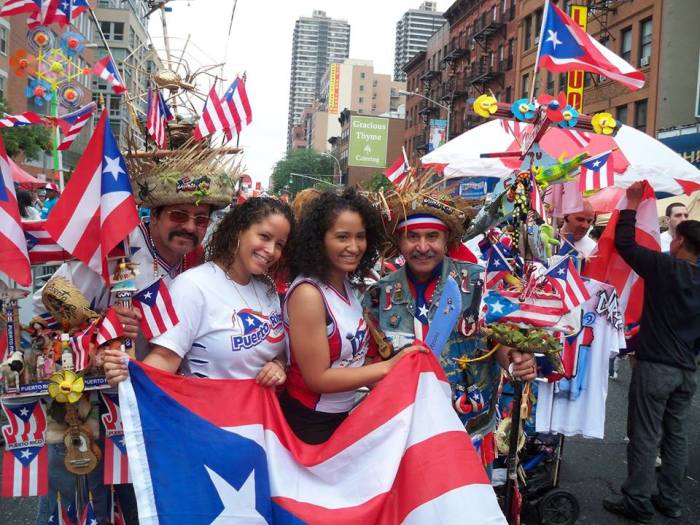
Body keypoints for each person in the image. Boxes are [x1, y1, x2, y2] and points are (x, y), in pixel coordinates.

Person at [33, 139, 238, 525]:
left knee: (139, 505)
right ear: (155, 213)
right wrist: (102, 324)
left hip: (147, 405)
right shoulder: (120, 246)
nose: (191, 227)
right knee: (80, 506)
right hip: (90, 402)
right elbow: (51, 295)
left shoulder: (194, 262)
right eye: (179, 215)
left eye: (201, 219)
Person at [363, 184, 537, 474]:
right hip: (405, 429)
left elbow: (499, 343)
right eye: (412, 237)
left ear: (447, 240)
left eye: (432, 236)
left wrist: (517, 362)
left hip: (468, 427)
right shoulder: (378, 295)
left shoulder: (479, 283)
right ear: (399, 242)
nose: (422, 247)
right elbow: (370, 362)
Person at [281, 189, 425, 444]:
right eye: (342, 237)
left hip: (340, 418)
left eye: (360, 237)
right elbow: (318, 378)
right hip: (309, 424)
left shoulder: (345, 284)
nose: (354, 247)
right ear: (319, 239)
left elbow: (353, 361)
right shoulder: (308, 294)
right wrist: (388, 368)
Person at [104, 196, 294, 385]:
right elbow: (166, 358)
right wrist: (130, 377)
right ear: (238, 231)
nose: (271, 250)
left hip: (263, 411)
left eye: (279, 244)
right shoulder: (192, 285)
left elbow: (278, 348)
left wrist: (278, 364)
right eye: (265, 237)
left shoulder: (267, 288)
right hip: (209, 410)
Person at [603, 182, 700, 523]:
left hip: (656, 366)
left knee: (645, 434)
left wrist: (630, 205)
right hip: (688, 370)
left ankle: (638, 501)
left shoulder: (666, 267)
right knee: (676, 435)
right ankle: (671, 500)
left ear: (680, 242)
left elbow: (625, 244)